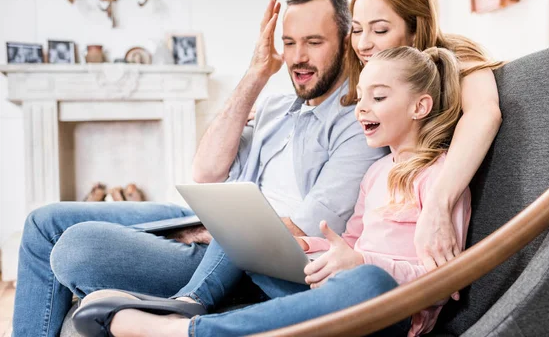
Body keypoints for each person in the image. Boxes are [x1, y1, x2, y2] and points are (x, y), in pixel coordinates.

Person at [11, 0, 386, 337]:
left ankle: (188, 304)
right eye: (289, 43)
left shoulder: (357, 122)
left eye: (314, 43)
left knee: (77, 247)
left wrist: (216, 231)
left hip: (245, 257)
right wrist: (257, 73)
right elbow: (206, 173)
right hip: (211, 227)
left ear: (345, 43)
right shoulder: (275, 108)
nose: (298, 57)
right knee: (43, 223)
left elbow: (309, 230)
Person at [73, 45, 471, 337]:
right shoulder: (377, 172)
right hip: (330, 288)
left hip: (390, 309)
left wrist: (361, 263)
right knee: (248, 226)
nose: (362, 107)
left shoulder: (443, 176)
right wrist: (305, 248)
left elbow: (445, 281)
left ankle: (184, 332)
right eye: (361, 96)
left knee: (368, 281)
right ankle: (190, 299)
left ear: (420, 107)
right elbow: (347, 244)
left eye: (378, 97)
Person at [343, 0, 502, 270]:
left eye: (379, 30)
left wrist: (438, 204)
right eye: (358, 29)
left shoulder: (456, 57)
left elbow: (484, 114)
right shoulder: (367, 72)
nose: (363, 43)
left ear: (416, 30)